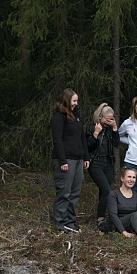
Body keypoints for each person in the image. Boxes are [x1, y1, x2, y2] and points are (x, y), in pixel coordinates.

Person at [50, 88, 90, 233]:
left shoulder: (76, 116)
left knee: (75, 192)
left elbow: (82, 137)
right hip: (65, 160)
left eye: (77, 101)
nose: (76, 103)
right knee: (64, 192)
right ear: (67, 100)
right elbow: (57, 141)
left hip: (78, 159)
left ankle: (70, 222)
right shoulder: (58, 118)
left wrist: (86, 157)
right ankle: (60, 223)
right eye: (74, 101)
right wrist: (62, 161)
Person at [100, 167, 137, 238]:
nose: (131, 180)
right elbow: (113, 215)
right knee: (135, 215)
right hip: (117, 223)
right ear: (122, 178)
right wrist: (124, 232)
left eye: (134, 177)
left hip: (132, 224)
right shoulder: (114, 194)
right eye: (129, 177)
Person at [86, 103, 120, 223]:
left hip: (108, 163)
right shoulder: (91, 128)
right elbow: (88, 146)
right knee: (107, 190)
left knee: (103, 191)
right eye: (107, 119)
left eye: (111, 119)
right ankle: (100, 217)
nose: (108, 121)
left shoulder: (110, 130)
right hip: (95, 162)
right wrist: (96, 133)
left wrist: (115, 128)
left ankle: (101, 216)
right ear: (100, 116)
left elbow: (116, 143)